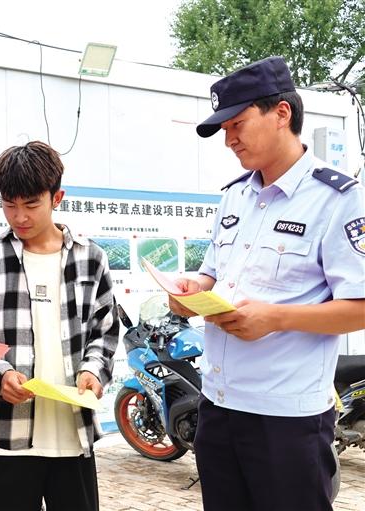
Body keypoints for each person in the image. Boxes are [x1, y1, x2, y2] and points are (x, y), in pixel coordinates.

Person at [169, 56, 365, 511]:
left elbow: (360, 307)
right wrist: (191, 292)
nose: (229, 140)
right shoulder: (235, 196)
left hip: (286, 421)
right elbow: (213, 275)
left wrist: (275, 318)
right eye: (224, 129)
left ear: (281, 113)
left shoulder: (337, 199)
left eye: (237, 124)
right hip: (218, 408)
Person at [0, 141, 119, 511]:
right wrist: (0, 376)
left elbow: (105, 330)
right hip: (7, 440)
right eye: (9, 205)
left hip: (72, 436)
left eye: (31, 204)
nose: (19, 217)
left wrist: (92, 371)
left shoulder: (91, 258)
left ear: (56, 197)